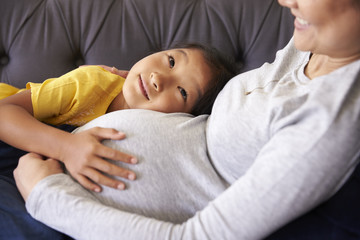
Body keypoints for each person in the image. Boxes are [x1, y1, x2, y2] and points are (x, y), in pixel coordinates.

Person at [12, 0, 360, 239]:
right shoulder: (315, 44)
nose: (286, 1)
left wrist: (48, 196)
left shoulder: (331, 120)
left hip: (60, 207)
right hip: (44, 165)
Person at [0, 43, 237, 192]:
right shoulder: (92, 83)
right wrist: (67, 147)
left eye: (182, 91)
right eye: (171, 61)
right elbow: (4, 113)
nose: (158, 78)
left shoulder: (150, 136)